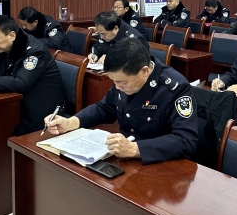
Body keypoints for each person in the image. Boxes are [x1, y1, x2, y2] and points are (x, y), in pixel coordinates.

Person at [43, 38, 198, 164]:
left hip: (159, 163)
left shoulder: (175, 88)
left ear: (144, 71)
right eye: (114, 82)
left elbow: (186, 141)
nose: (117, 87)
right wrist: (70, 123)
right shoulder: (123, 79)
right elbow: (104, 108)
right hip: (125, 159)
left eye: (122, 83)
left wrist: (134, 149)